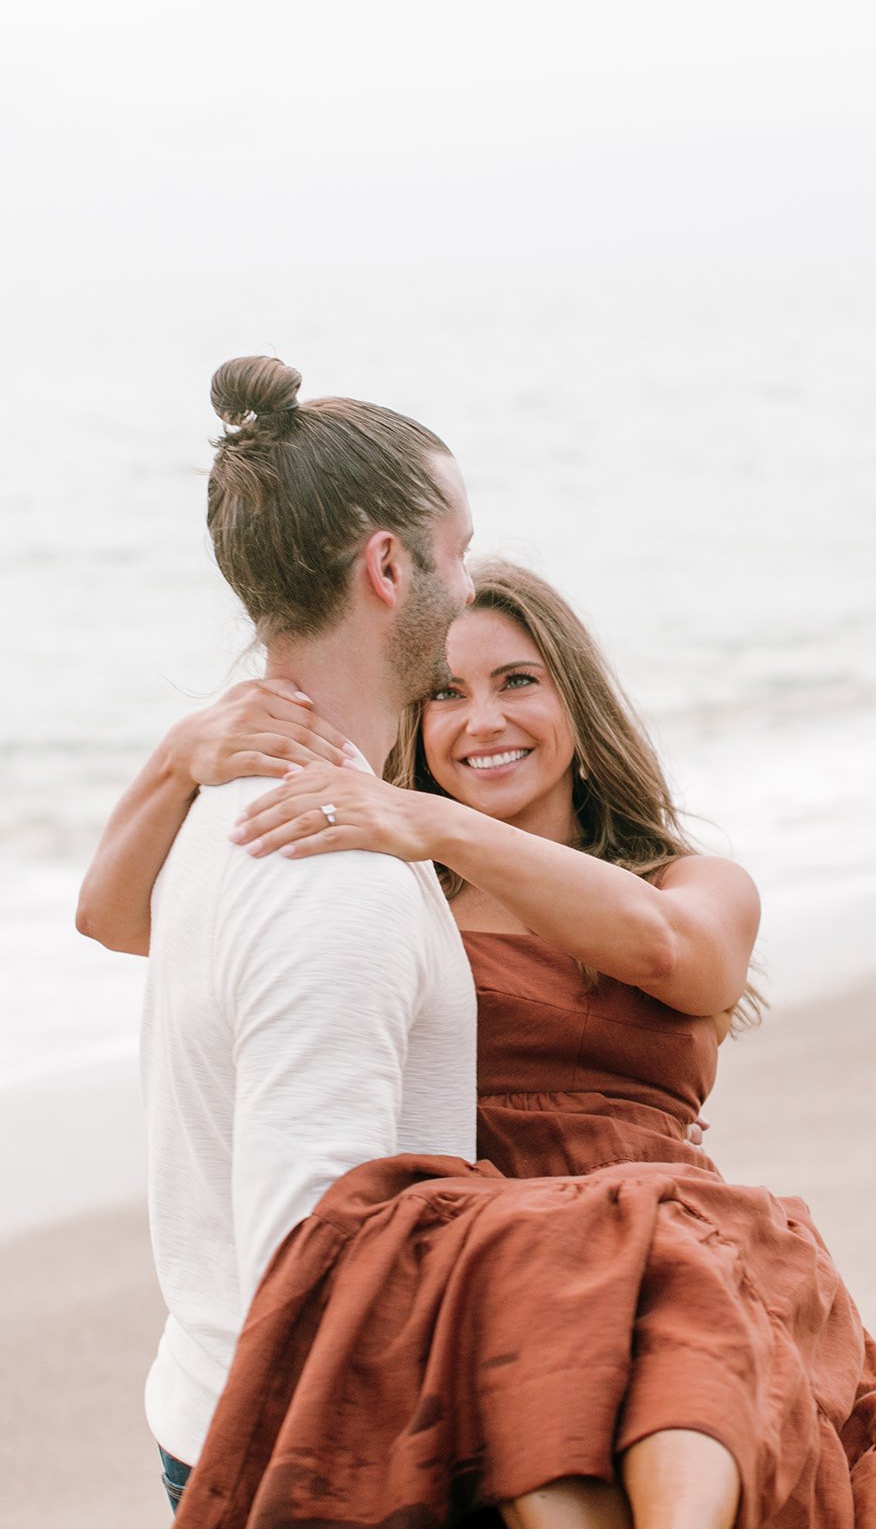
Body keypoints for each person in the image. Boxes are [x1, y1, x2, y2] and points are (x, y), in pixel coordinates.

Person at [80, 559, 876, 1529]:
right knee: (541, 1332)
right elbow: (121, 920)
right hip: (488, 1263)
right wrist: (180, 754)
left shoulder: (683, 881)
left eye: (515, 681)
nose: (482, 721)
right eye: (444, 692)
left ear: (575, 697)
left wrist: (424, 819)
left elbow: (675, 953)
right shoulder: (398, 898)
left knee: (677, 1277)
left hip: (675, 1254)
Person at [77, 352, 484, 1515]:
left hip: (214, 1414)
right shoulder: (328, 865)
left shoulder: (227, 807)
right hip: (311, 1461)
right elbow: (314, 1262)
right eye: (456, 553)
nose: (467, 585)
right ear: (389, 566)